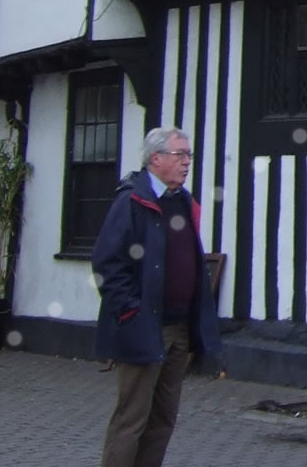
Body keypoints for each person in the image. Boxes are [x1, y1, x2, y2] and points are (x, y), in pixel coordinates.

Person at [93, 126, 222, 467]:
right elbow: (107, 263)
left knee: (163, 419)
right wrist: (129, 313)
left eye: (189, 155)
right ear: (156, 158)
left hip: (180, 329)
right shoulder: (132, 201)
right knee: (131, 420)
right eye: (180, 155)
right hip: (144, 326)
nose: (187, 162)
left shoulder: (181, 201)